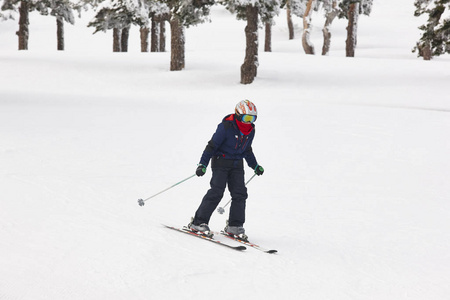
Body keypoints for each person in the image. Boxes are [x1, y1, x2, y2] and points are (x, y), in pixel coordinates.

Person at [188, 100, 264, 239]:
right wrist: (202, 164)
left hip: (237, 164)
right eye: (246, 118)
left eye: (252, 119)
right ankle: (198, 222)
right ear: (238, 114)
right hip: (220, 162)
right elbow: (211, 146)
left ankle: (234, 226)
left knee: (240, 194)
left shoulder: (251, 130)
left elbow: (247, 149)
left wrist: (255, 165)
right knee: (217, 192)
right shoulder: (226, 127)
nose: (248, 122)